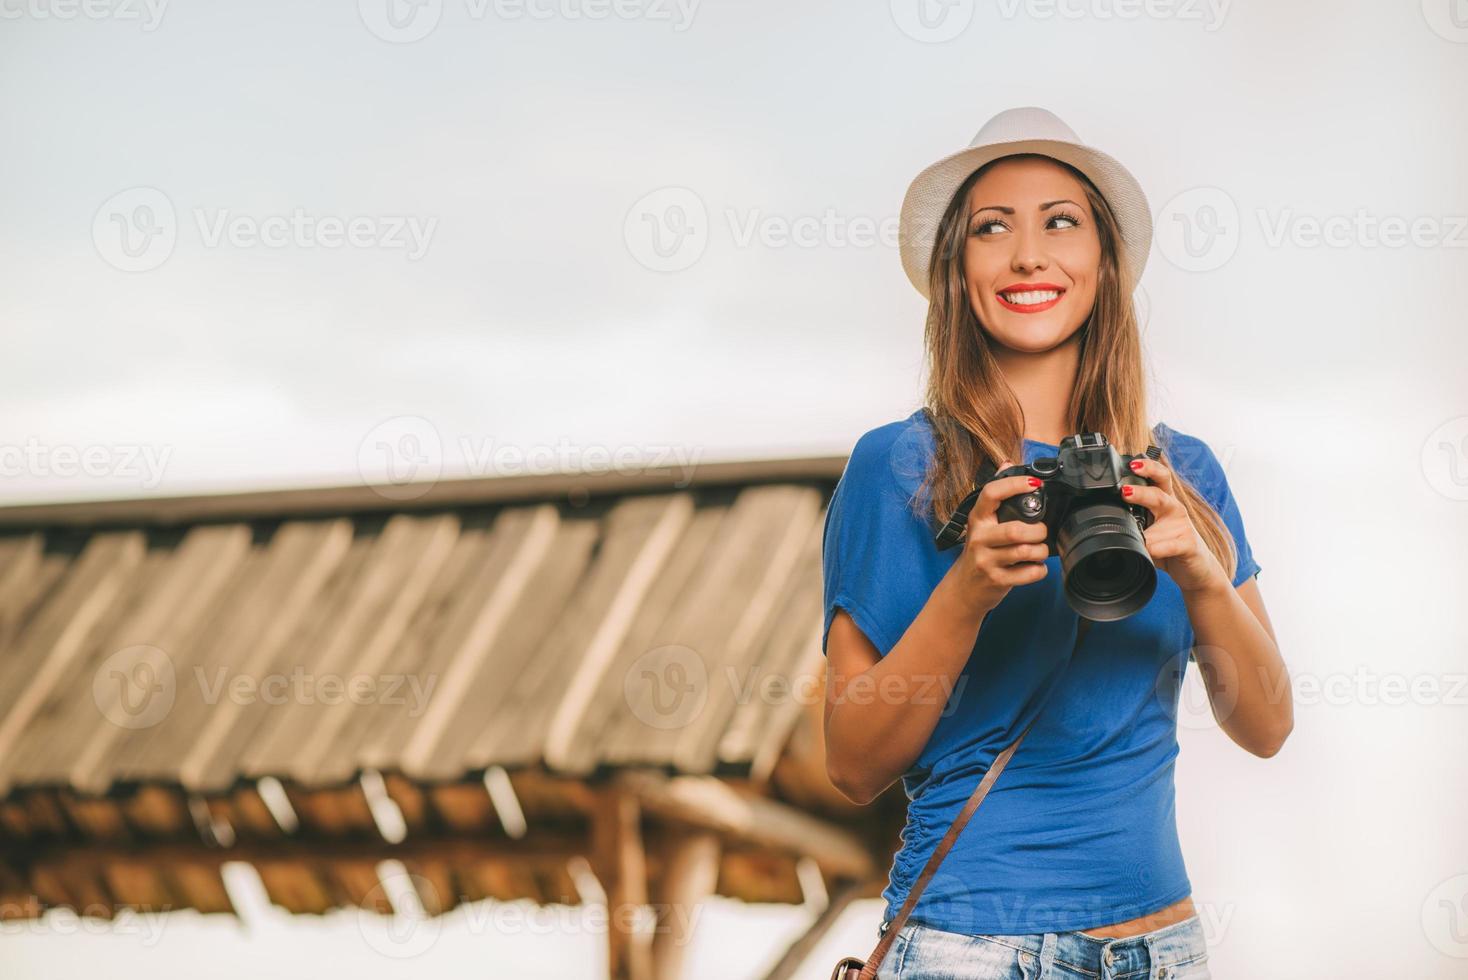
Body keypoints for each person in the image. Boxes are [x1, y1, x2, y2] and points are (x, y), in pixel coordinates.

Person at [821, 107, 1292, 980]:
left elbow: (1265, 725)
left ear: (1104, 265)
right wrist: (967, 590)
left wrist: (1198, 574)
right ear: (957, 274)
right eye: (991, 229)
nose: (1028, 254)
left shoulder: (1180, 473)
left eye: (1060, 222)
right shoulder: (901, 466)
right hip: (966, 947)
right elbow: (852, 765)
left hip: (1161, 948)